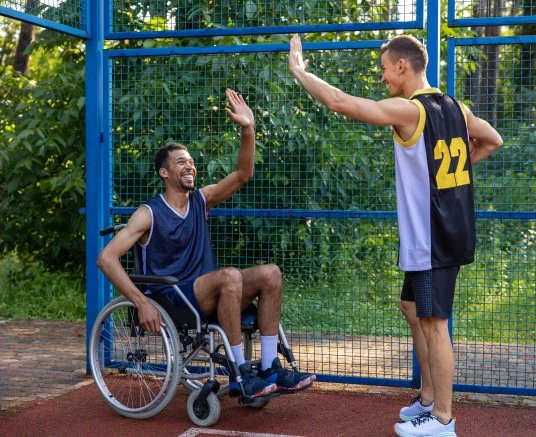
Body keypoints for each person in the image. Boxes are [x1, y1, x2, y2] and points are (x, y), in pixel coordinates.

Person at [288, 34, 502, 436]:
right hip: (439, 232)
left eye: (385, 68)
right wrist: (460, 170)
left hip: (434, 235)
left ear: (402, 66)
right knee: (411, 308)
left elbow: (340, 102)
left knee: (436, 325)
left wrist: (300, 71)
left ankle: (442, 419)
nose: (382, 76)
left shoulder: (412, 110)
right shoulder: (456, 107)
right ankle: (426, 399)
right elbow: (493, 139)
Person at [96, 88, 315, 400]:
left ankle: (268, 368)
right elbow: (106, 258)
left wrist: (248, 129)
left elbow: (242, 173)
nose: (190, 167)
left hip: (207, 294)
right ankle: (241, 374)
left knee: (271, 273)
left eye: (192, 162)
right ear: (164, 172)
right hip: (173, 298)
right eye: (181, 162)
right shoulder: (148, 214)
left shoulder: (202, 199)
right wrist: (141, 302)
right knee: (230, 276)